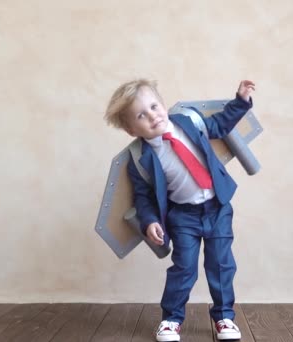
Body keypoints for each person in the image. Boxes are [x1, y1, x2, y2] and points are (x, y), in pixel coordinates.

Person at [104, 79, 255, 341]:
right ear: (131, 129)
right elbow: (143, 198)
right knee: (184, 267)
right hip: (183, 216)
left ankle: (224, 316)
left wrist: (240, 101)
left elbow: (219, 125)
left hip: (217, 207)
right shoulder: (140, 160)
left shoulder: (189, 120)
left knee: (221, 264)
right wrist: (149, 221)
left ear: (162, 103)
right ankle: (171, 319)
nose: (152, 116)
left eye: (154, 106)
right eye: (141, 115)